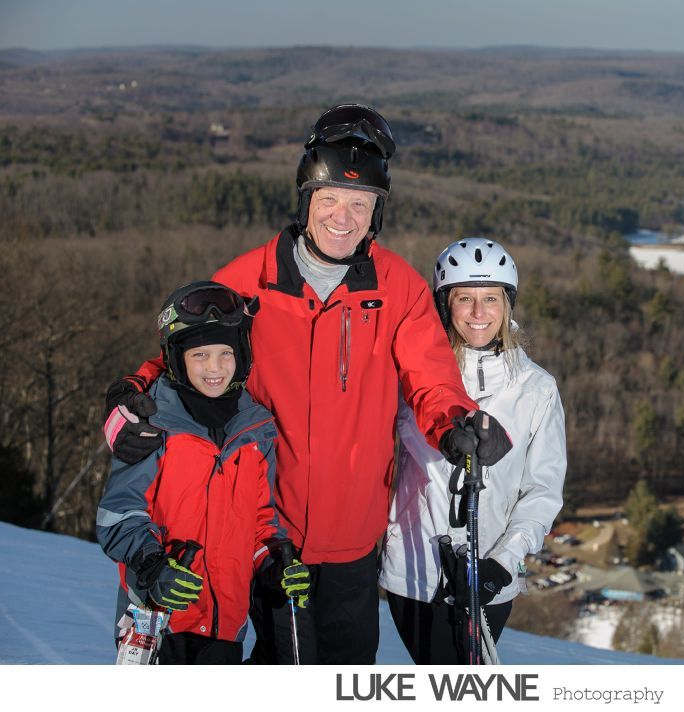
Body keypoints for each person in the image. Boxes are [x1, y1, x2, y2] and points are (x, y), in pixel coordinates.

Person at [102, 105, 512, 664]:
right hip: (266, 532)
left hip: (351, 534)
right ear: (306, 202)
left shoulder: (399, 288)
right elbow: (188, 354)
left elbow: (432, 381)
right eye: (330, 202)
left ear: (377, 213)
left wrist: (458, 426)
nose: (343, 219)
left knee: (344, 674)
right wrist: (131, 397)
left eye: (360, 204)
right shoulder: (248, 282)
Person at [96, 281, 310, 664]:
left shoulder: (256, 429)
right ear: (177, 357)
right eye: (200, 355)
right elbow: (118, 516)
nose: (215, 368)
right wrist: (152, 566)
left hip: (225, 625)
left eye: (226, 353)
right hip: (157, 620)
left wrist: (276, 564)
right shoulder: (150, 424)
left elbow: (261, 523)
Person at [380, 237, 567, 664]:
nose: (479, 313)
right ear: (445, 304)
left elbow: (543, 491)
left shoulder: (536, 389)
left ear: (508, 305)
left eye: (491, 299)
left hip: (489, 576)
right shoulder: (411, 379)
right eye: (465, 298)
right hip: (413, 572)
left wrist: (503, 562)